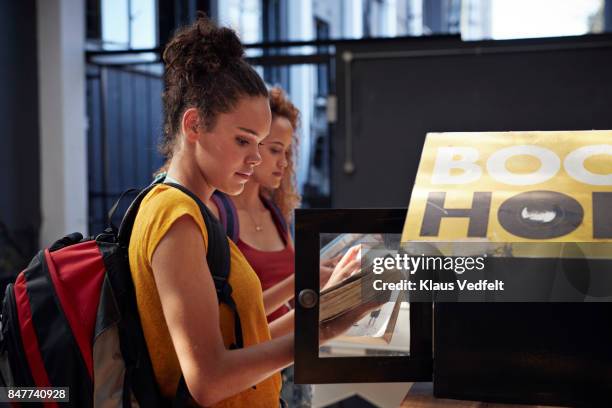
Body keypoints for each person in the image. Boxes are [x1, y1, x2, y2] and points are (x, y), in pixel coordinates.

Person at [129, 16, 370, 407]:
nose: (255, 157)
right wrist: (322, 329)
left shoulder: (192, 211)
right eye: (243, 140)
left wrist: (322, 305)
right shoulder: (177, 217)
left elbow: (242, 331)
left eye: (260, 143)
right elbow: (207, 379)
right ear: (194, 125)